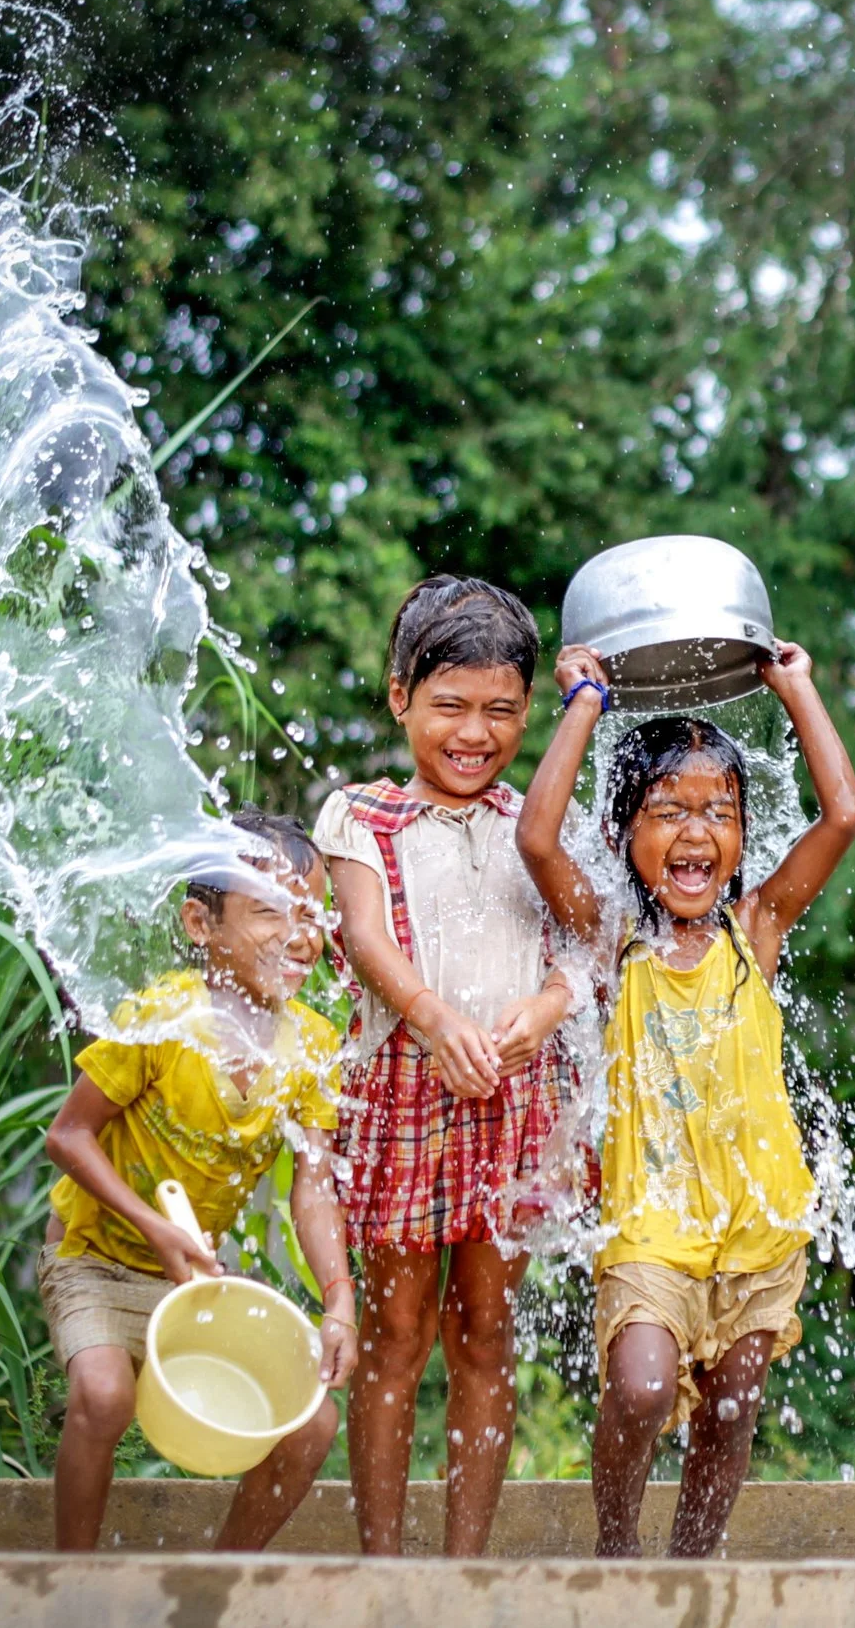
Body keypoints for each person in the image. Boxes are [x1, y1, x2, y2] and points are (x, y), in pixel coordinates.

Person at [516, 635, 855, 1558]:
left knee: (737, 1401)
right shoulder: (611, 937)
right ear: (626, 830)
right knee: (637, 1387)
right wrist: (585, 701)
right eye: (668, 810)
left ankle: (691, 1568)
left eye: (721, 810)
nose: (697, 832)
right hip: (651, 1225)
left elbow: (843, 814)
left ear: (744, 834)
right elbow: (537, 837)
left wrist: (796, 689)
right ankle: (619, 1552)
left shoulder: (759, 926)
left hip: (757, 1220)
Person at [316, 576, 578, 1556]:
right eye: (450, 706)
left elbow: (582, 948)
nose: (475, 731)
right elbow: (364, 934)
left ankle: (462, 1571)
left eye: (502, 709)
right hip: (401, 1091)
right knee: (396, 1334)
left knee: (485, 1334)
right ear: (400, 699)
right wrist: (431, 1018)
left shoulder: (534, 822)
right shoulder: (362, 815)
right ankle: (384, 1564)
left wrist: (543, 1008)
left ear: (527, 711)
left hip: (513, 1098)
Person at [39, 810, 354, 1552]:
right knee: (104, 1392)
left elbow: (314, 1186)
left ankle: (216, 1579)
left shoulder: (313, 1043)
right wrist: (154, 1225)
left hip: (195, 1279)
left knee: (314, 1423)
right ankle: (69, 1582)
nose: (298, 933)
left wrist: (339, 1294)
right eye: (269, 910)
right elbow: (67, 1135)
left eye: (310, 912)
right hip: (95, 1254)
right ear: (200, 922)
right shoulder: (161, 1018)